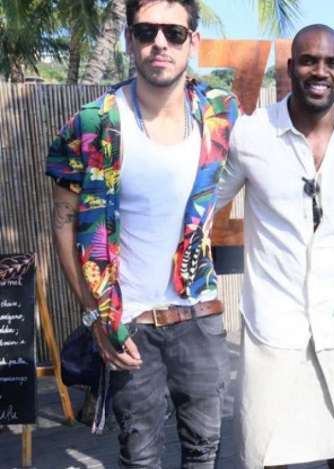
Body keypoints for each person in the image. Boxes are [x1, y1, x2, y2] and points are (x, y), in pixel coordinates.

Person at [46, 0, 238, 467]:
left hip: (199, 314)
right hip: (128, 320)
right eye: (147, 32)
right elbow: (63, 223)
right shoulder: (93, 124)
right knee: (140, 455)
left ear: (193, 41)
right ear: (129, 40)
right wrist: (96, 316)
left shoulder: (219, 112)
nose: (160, 43)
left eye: (174, 33)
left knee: (204, 450)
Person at [216, 24, 334, 469]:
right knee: (268, 453)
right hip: (275, 326)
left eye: (331, 63)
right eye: (309, 61)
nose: (320, 71)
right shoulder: (252, 135)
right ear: (290, 68)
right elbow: (205, 204)